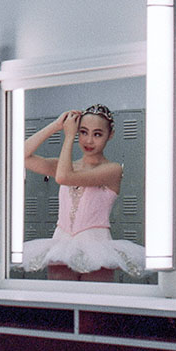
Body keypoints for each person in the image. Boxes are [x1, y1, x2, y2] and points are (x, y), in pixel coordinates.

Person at [21, 104, 144, 281]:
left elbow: (63, 177)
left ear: (110, 135)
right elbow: (20, 155)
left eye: (97, 134)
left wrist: (69, 137)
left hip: (97, 247)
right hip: (61, 243)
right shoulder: (66, 166)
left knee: (94, 305)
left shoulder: (112, 170)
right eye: (83, 132)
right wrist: (56, 125)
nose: (88, 141)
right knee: (61, 304)